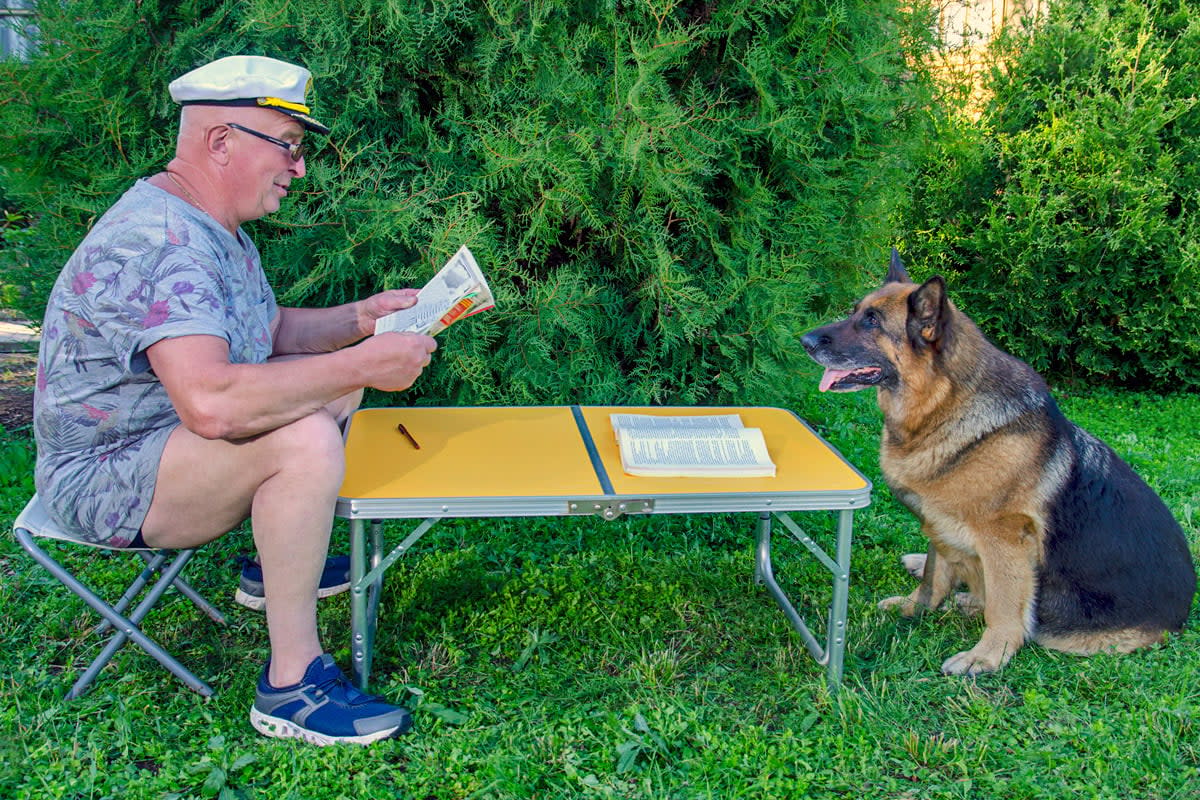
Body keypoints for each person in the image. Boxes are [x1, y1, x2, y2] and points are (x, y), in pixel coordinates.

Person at [33, 55, 437, 745]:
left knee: (335, 385)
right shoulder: (160, 242)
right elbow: (213, 402)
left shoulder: (209, 225)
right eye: (289, 146)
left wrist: (358, 321)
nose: (299, 168)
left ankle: (269, 563)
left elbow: (267, 331)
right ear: (221, 142)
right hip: (103, 478)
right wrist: (361, 361)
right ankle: (291, 685)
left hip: (160, 448)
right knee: (305, 435)